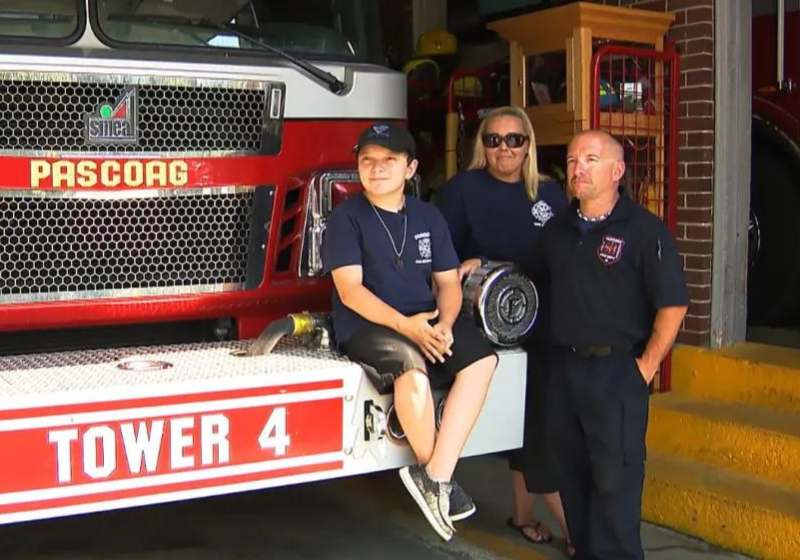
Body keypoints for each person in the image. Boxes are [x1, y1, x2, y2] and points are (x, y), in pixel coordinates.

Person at [321, 122, 498, 542]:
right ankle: (438, 480)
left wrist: (448, 325)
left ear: (410, 167)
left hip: (426, 319)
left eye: (388, 160)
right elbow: (349, 291)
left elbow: (450, 283)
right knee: (412, 370)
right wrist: (408, 328)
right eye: (367, 161)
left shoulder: (428, 216)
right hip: (368, 324)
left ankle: (435, 475)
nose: (376, 169)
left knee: (482, 360)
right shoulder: (346, 218)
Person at [530, 130, 689, 560]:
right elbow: (533, 278)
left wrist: (646, 367)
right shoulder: (559, 229)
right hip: (565, 371)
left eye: (591, 159)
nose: (579, 167)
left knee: (614, 484)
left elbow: (672, 306)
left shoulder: (643, 231)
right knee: (573, 478)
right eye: (573, 159)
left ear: (617, 170)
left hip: (617, 374)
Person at [436, 105, 572, 553]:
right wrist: (467, 268)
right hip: (488, 322)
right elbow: (439, 261)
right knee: (530, 419)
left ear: (528, 145)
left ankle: (523, 513)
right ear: (482, 146)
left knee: (538, 418)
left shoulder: (550, 195)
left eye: (514, 139)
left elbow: (564, 260)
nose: (504, 149)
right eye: (493, 140)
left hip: (545, 320)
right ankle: (574, 530)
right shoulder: (462, 191)